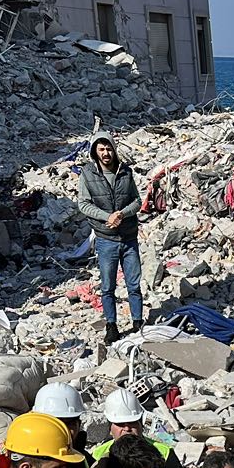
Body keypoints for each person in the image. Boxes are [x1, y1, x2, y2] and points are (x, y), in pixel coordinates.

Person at [78, 131, 143, 343]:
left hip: (129, 238)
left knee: (134, 285)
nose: (106, 153)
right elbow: (83, 204)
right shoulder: (87, 174)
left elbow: (137, 201)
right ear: (94, 151)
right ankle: (111, 326)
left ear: (114, 150)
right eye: (101, 149)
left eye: (108, 149)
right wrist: (108, 217)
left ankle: (138, 323)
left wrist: (121, 214)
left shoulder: (125, 172)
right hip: (106, 239)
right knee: (107, 287)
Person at [88, 388, 183, 468]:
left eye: (132, 422)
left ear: (141, 423)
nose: (127, 428)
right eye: (120, 424)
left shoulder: (164, 453)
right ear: (110, 428)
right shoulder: (98, 455)